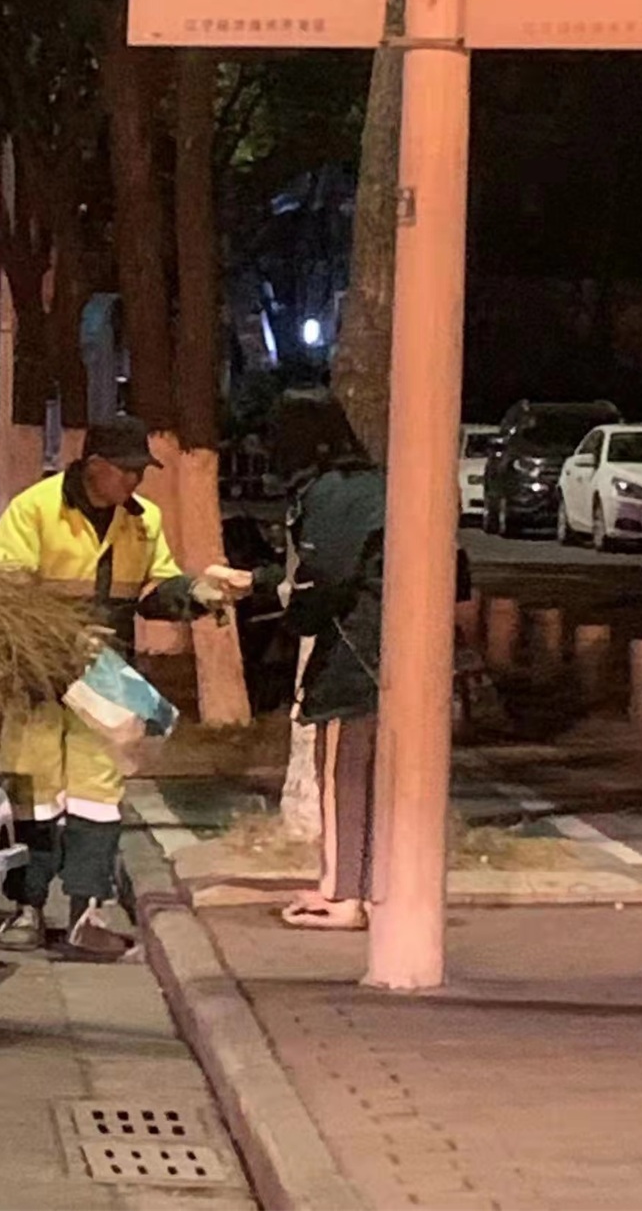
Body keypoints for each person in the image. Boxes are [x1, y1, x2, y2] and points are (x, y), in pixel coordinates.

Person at [0, 415, 231, 960]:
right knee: (33, 789)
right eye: (126, 471)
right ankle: (27, 907)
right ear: (94, 466)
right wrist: (60, 643)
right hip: (38, 674)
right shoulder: (35, 509)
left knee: (98, 794)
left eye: (140, 471)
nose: (135, 481)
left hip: (104, 679)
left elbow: (153, 590)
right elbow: (10, 594)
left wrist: (195, 594)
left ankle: (86, 913)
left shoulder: (142, 520)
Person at [250, 390, 385, 930]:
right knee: (378, 779)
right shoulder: (377, 485)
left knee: (342, 771)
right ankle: (369, 887)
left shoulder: (331, 493)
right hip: (399, 649)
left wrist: (283, 605)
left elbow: (321, 580)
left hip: (355, 650)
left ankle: (342, 892)